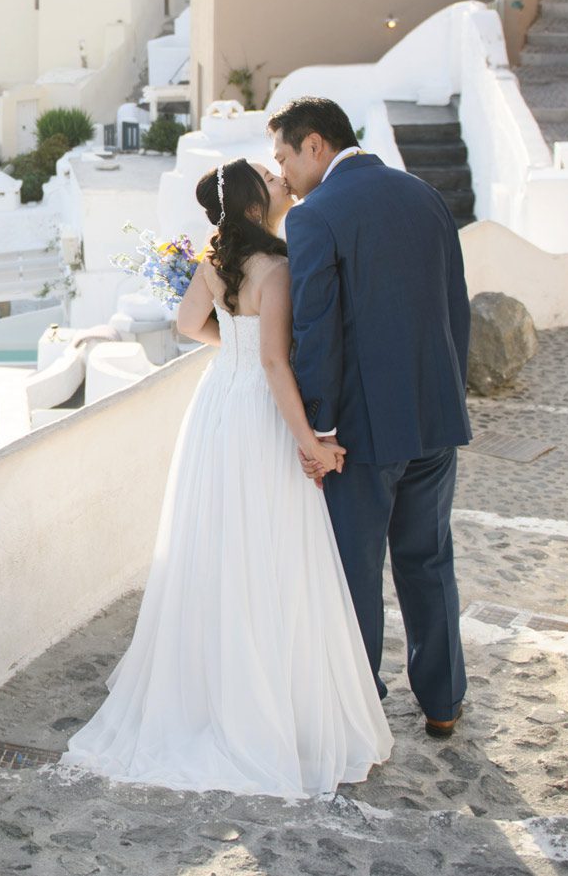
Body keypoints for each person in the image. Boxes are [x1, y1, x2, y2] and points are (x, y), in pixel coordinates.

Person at [63, 159, 392, 796]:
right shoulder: (279, 266)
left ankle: (213, 693)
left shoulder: (215, 262)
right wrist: (312, 445)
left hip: (216, 407)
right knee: (269, 550)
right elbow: (275, 363)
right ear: (249, 203)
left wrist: (232, 344)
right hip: (259, 416)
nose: (278, 183)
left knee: (219, 544)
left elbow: (189, 326)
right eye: (267, 179)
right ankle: (269, 707)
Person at [271, 96, 472, 738]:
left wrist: (320, 430)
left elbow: (316, 330)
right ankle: (443, 702)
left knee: (355, 569)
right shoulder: (425, 195)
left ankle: (361, 710)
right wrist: (450, 394)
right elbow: (454, 308)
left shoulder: (315, 218)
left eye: (284, 156)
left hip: (360, 432)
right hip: (435, 414)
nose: (284, 173)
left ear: (316, 146)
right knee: (428, 558)